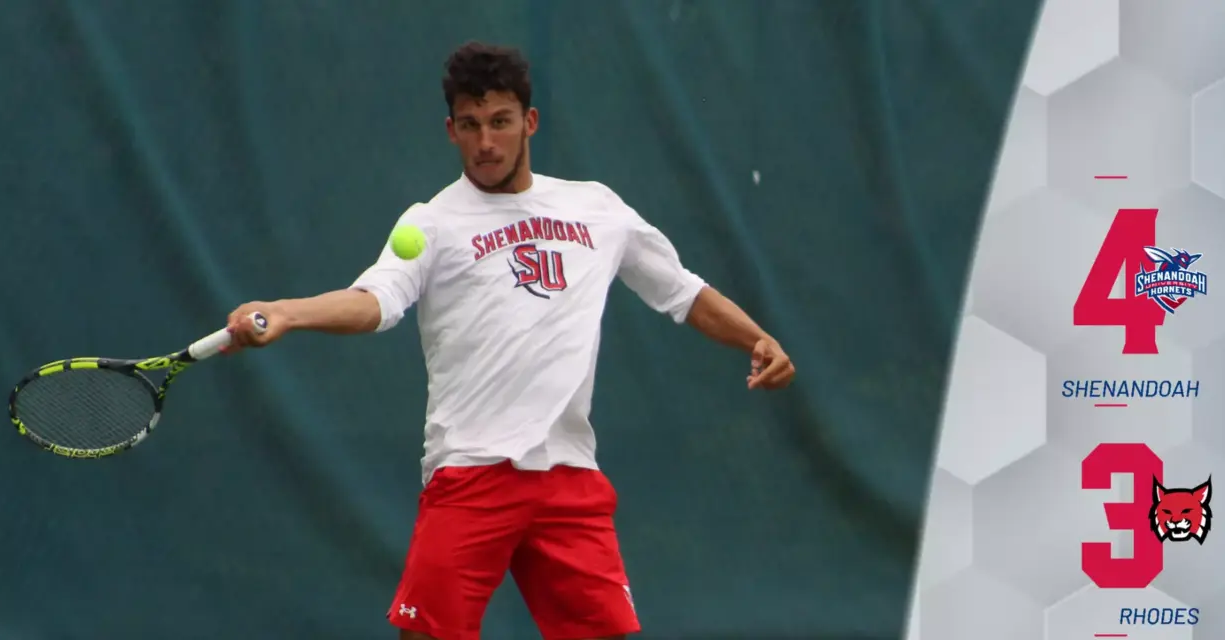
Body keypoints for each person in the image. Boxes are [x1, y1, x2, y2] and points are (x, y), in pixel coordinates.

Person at [222, 40, 795, 640]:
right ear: (451, 130)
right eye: (470, 126)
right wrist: (285, 312)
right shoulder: (431, 222)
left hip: (568, 473)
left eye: (500, 122)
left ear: (530, 121)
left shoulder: (598, 210)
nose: (486, 142)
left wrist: (757, 337)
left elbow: (683, 292)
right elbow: (374, 302)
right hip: (470, 471)